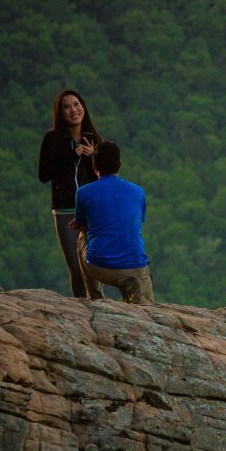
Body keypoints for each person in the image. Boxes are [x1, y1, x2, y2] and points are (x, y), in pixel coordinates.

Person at [71, 140, 154, 304]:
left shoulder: (83, 192)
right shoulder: (138, 191)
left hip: (98, 267)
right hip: (134, 268)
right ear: (120, 164)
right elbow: (133, 223)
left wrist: (80, 224)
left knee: (82, 236)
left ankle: (95, 297)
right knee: (146, 308)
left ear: (94, 165)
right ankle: (134, 294)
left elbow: (83, 226)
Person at [38, 89, 103, 298]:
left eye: (76, 104)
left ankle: (100, 306)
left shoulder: (93, 139)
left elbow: (105, 177)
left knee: (94, 263)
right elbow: (44, 174)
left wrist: (93, 157)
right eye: (67, 107)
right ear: (60, 113)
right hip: (65, 209)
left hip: (91, 209)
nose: (73, 110)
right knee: (76, 267)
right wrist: (71, 155)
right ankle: (83, 308)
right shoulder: (52, 139)